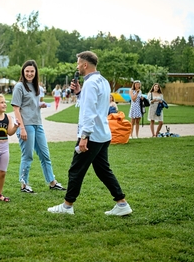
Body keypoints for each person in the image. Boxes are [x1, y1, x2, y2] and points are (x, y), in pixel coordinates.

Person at [48, 51, 133, 216]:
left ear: (85, 65)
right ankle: (122, 204)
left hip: (91, 135)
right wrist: (79, 93)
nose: (77, 66)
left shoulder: (91, 83)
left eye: (79, 63)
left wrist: (84, 136)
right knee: (103, 170)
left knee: (76, 170)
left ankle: (67, 206)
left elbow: (89, 112)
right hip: (103, 134)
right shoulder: (103, 81)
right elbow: (95, 104)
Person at [11, 60, 64, 193]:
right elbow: (16, 109)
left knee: (45, 155)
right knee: (28, 156)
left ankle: (52, 182)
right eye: (27, 71)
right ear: (23, 72)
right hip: (26, 125)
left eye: (32, 71)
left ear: (36, 73)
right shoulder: (19, 87)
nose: (29, 74)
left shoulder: (36, 87)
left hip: (38, 124)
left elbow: (31, 104)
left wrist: (41, 105)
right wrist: (22, 128)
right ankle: (24, 184)